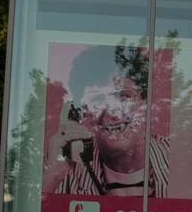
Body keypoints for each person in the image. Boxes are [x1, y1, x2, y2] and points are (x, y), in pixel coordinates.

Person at [43, 45, 170, 196]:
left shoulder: (179, 156)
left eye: (124, 96)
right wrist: (53, 176)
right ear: (82, 112)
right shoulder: (63, 169)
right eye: (97, 99)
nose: (112, 112)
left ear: (146, 104)